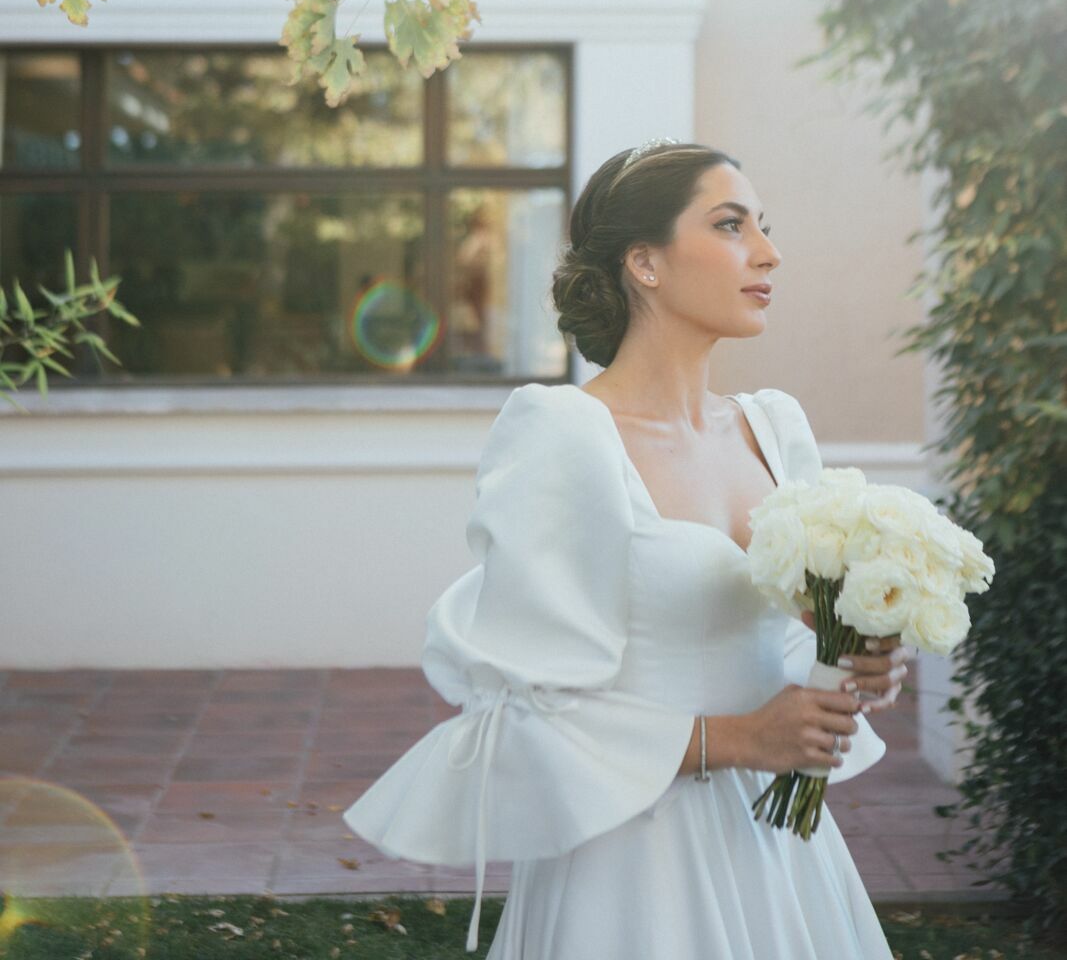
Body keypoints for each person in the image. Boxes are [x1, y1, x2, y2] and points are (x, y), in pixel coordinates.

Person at [342, 139, 911, 957]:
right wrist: (739, 739)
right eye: (730, 225)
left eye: (764, 226)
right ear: (644, 263)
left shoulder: (774, 429)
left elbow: (784, 639)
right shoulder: (566, 435)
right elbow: (525, 706)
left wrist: (850, 655)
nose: (767, 252)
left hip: (779, 852)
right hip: (635, 862)